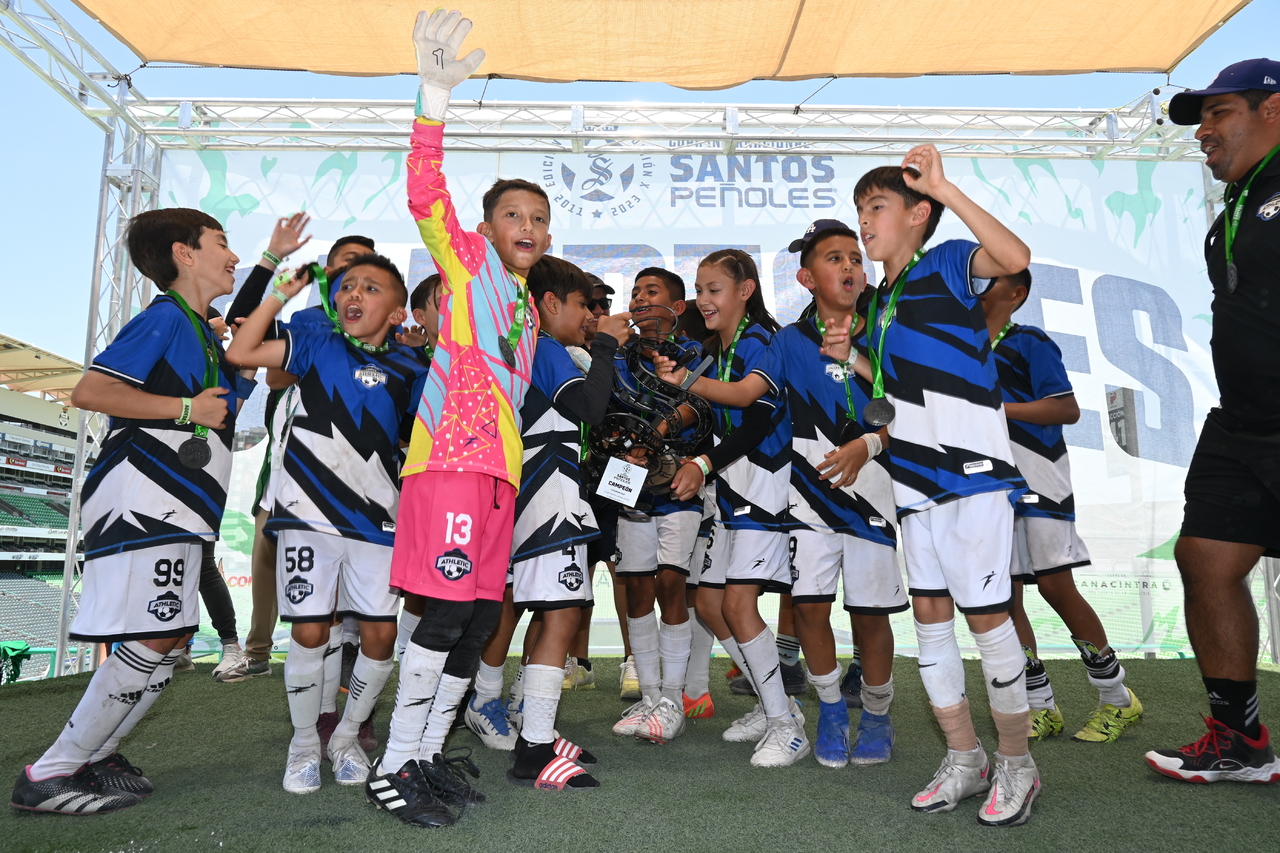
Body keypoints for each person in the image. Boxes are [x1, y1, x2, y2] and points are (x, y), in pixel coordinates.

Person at [368, 8, 548, 828]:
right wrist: (433, 100)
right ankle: (393, 763)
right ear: (484, 229)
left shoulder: (528, 306)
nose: (528, 228)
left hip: (498, 475)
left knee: (477, 620)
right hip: (450, 463)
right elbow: (424, 193)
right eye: (514, 215)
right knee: (444, 614)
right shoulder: (468, 264)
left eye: (539, 219)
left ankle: (428, 752)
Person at [11, 208, 252, 814]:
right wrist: (185, 410)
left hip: (180, 504)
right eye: (222, 243)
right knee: (158, 632)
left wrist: (241, 365)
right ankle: (52, 772)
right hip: (144, 499)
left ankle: (96, 755)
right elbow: (90, 391)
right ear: (184, 253)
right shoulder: (165, 317)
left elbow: (226, 404)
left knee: (171, 636)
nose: (234, 255)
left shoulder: (200, 331)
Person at [821, 152, 1037, 826]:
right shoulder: (879, 302)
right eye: (859, 211)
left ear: (918, 214)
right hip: (914, 483)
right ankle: (965, 758)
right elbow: (896, 395)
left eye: (875, 208)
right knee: (932, 626)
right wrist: (853, 361)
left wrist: (944, 187)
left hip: (972, 478)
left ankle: (1017, 764)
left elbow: (1015, 257)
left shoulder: (943, 263)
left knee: (988, 622)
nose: (864, 222)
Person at [658, 231, 905, 769]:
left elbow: (910, 406)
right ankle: (831, 712)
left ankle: (877, 716)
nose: (849, 266)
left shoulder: (884, 334)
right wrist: (685, 389)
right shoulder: (789, 341)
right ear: (806, 278)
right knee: (810, 609)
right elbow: (750, 396)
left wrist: (867, 444)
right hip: (808, 499)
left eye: (855, 258)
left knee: (870, 617)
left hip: (873, 494)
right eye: (834, 259)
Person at [226, 254, 429, 795]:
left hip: (378, 519)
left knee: (381, 633)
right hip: (308, 514)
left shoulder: (413, 367)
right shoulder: (316, 340)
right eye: (346, 287)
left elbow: (424, 433)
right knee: (311, 630)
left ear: (397, 311)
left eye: (371, 287)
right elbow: (240, 351)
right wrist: (282, 292)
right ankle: (302, 745)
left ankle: (344, 737)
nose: (354, 293)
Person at [1145, 59, 1280, 784]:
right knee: (1205, 557)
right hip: (1241, 422)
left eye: (1219, 113)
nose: (1203, 131)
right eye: (1200, 119)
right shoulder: (1240, 202)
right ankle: (1239, 740)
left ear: (1272, 109)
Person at [979, 270, 1143, 742]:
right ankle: (1041, 706)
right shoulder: (964, 349)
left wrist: (999, 410)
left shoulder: (1030, 341)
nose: (979, 285)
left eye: (990, 279)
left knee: (1056, 586)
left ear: (1017, 294)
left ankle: (1118, 699)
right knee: (1005, 596)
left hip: (1040, 482)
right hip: (988, 488)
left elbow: (1066, 408)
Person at [502, 255, 632, 788]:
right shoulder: (545, 348)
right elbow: (590, 408)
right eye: (583, 305)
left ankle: (532, 727)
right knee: (560, 615)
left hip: (547, 493)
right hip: (548, 497)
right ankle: (534, 750)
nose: (591, 316)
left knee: (554, 612)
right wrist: (606, 346)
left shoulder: (536, 346)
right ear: (550, 304)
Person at [608, 268, 703, 745]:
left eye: (652, 291)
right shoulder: (619, 356)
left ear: (678, 306)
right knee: (636, 587)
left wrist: (651, 435)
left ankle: (672, 700)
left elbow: (696, 404)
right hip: (630, 485)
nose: (640, 299)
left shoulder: (694, 353)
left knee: (670, 583)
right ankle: (649, 697)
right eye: (635, 293)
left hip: (678, 485)